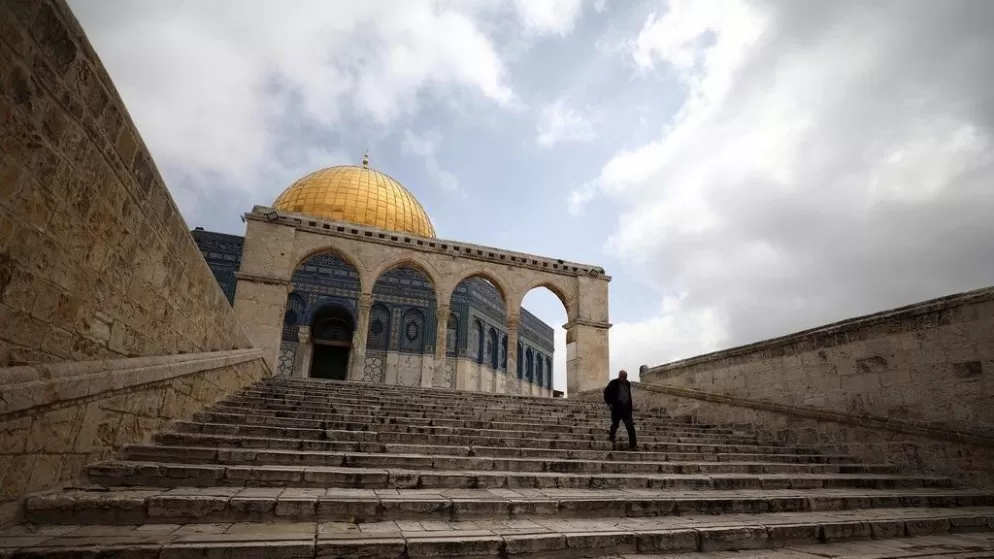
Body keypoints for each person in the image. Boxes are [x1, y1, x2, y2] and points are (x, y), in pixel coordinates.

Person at [602, 370, 638, 450]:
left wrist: (630, 408)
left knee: (630, 427)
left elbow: (629, 396)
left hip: (626, 408)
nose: (623, 379)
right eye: (622, 377)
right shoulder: (613, 383)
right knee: (615, 424)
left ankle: (633, 445)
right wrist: (609, 403)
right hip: (617, 407)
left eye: (625, 377)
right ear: (619, 376)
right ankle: (611, 437)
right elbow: (606, 393)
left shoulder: (628, 384)